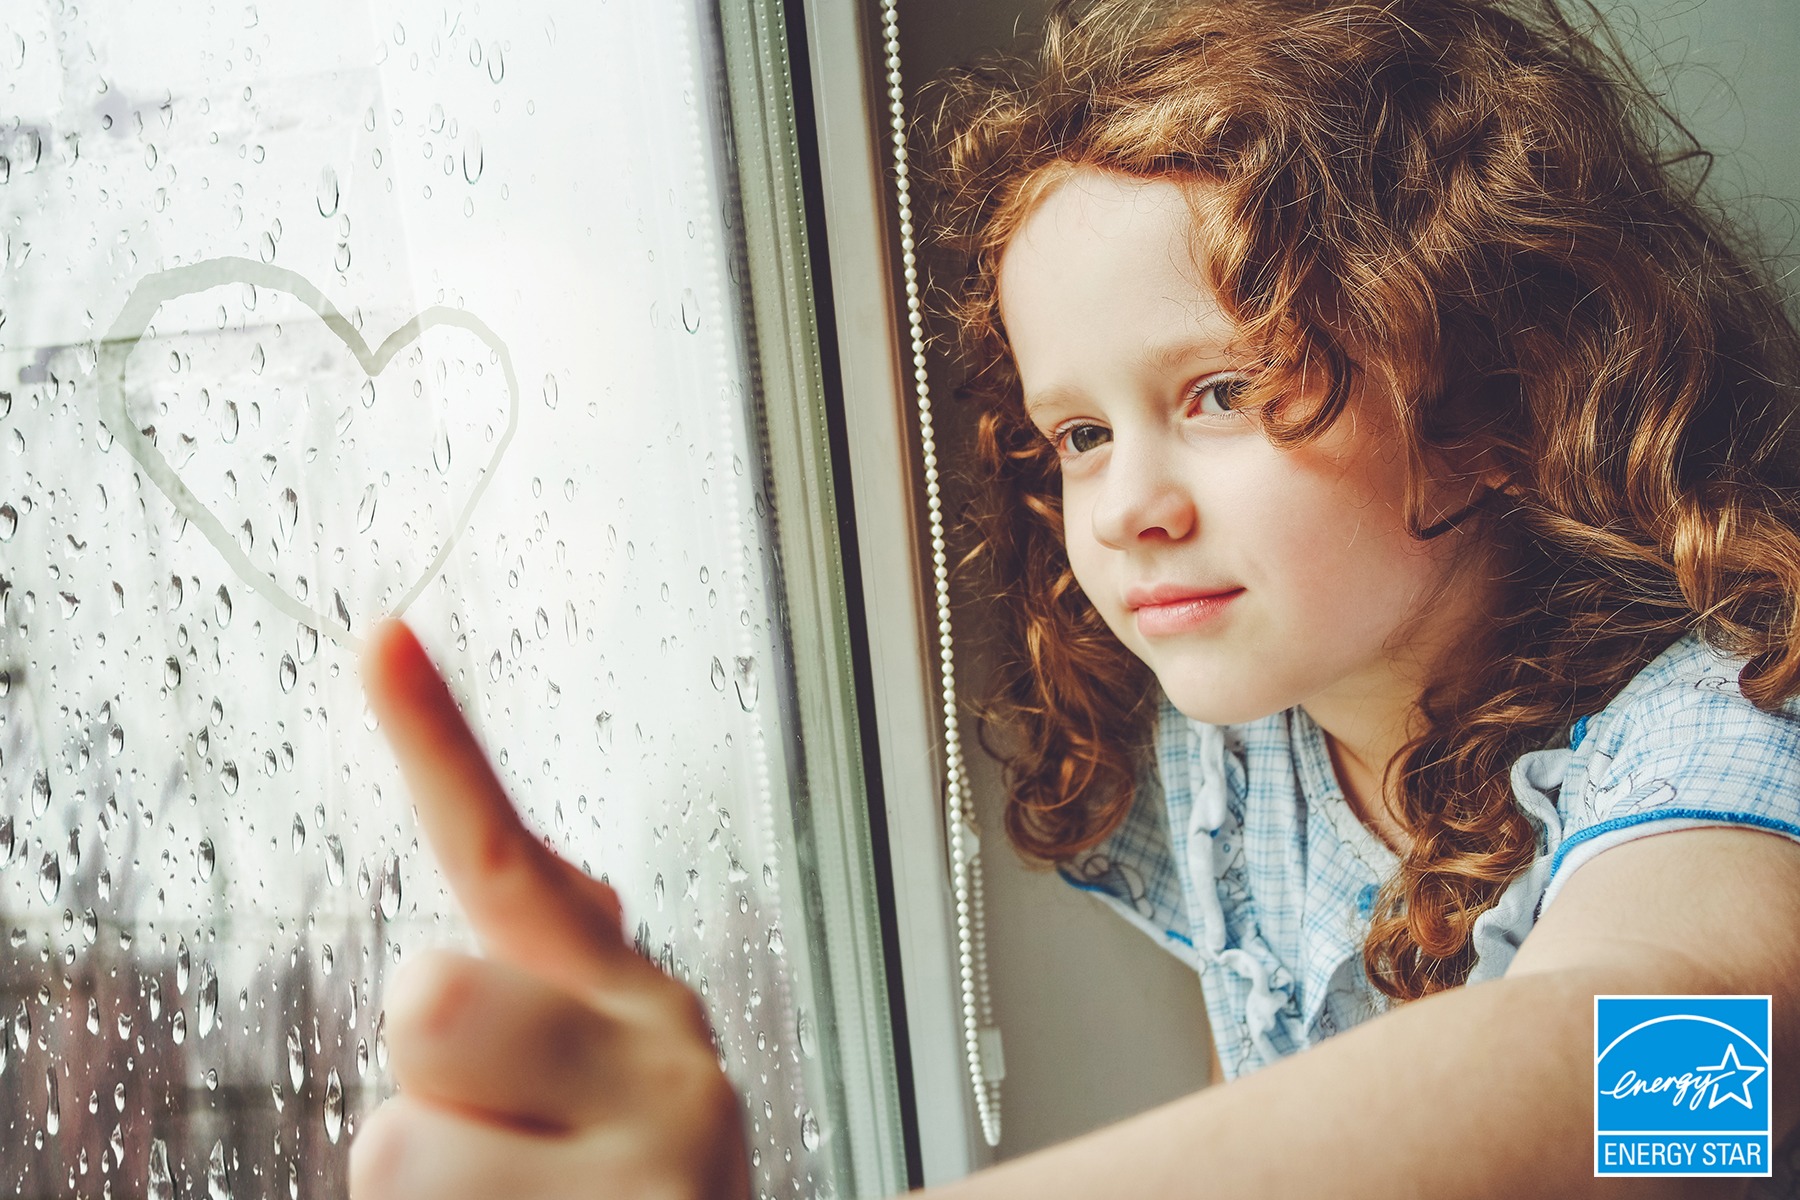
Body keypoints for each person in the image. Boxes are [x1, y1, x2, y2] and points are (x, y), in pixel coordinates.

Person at [347, 0, 1800, 1196]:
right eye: (1082, 434)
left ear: (1488, 395)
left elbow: (1701, 1079)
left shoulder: (1722, 716)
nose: (1124, 508)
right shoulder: (1243, 752)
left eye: (1221, 392)